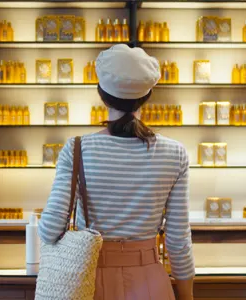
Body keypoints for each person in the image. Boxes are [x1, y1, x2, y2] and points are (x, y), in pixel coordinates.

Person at [39, 44, 194, 300]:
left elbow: (50, 229)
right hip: (151, 282)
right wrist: (186, 296)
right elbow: (178, 239)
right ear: (147, 95)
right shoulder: (175, 153)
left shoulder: (78, 148)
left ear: (101, 94)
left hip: (88, 280)